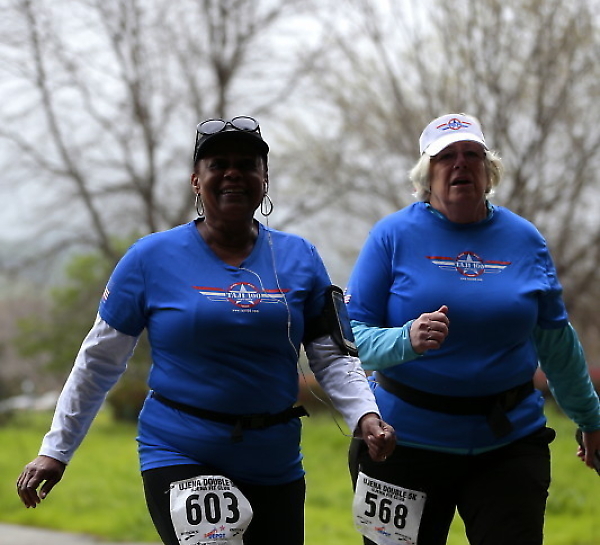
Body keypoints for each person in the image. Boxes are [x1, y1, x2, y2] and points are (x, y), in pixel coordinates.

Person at [17, 115, 396, 545]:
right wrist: (55, 450)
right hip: (180, 451)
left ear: (264, 181)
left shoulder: (300, 257)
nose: (233, 173)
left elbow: (332, 355)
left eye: (247, 165)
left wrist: (366, 416)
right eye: (218, 165)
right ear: (196, 181)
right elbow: (98, 362)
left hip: (274, 459)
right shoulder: (149, 259)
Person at [346, 113, 600, 545]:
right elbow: (347, 342)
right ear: (426, 175)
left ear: (488, 170)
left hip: (508, 444)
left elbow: (557, 343)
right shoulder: (391, 236)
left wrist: (590, 418)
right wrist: (405, 339)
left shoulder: (525, 240)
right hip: (402, 444)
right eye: (446, 156)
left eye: (472, 154)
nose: (460, 163)